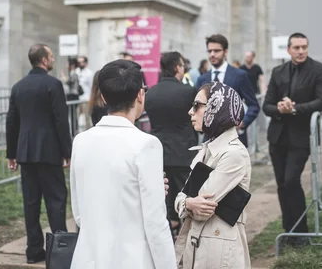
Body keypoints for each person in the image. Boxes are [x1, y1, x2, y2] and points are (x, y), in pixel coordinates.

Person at [69, 59, 176, 269]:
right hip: (131, 259)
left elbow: (79, 212)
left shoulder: (81, 141)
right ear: (140, 94)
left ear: (103, 97)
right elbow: (155, 224)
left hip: (88, 257)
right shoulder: (147, 144)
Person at [6, 44, 72, 264]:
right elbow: (61, 120)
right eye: (52, 56)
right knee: (56, 200)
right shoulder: (53, 85)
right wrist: (68, 151)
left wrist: (11, 153)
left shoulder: (18, 87)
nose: (53, 59)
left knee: (31, 203)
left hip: (25, 152)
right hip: (50, 151)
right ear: (44, 60)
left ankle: (33, 252)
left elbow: (11, 122)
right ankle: (59, 252)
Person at [262, 33, 322, 245]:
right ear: (289, 50)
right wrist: (280, 108)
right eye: (297, 47)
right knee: (282, 184)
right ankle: (288, 230)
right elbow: (267, 105)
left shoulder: (319, 70)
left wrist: (295, 109)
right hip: (277, 137)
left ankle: (302, 231)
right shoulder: (278, 71)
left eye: (304, 47)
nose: (301, 51)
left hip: (301, 136)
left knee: (292, 180)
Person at [174, 82, 252, 268]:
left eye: (196, 106)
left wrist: (186, 202)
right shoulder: (207, 148)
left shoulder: (234, 153)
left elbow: (201, 209)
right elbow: (183, 199)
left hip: (218, 247)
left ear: (217, 107)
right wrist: (187, 203)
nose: (190, 112)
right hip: (199, 241)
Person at [145, 52, 197, 237]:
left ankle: (167, 231)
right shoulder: (188, 91)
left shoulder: (150, 93)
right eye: (182, 66)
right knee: (186, 195)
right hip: (183, 152)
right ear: (177, 67)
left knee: (163, 196)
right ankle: (187, 233)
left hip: (159, 152)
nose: (183, 70)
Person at [195, 34, 259, 147]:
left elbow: (254, 105)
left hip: (234, 139)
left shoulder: (240, 75)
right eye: (209, 51)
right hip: (209, 141)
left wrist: (242, 123)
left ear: (225, 52)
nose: (212, 54)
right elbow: (197, 107)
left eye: (216, 51)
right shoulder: (202, 79)